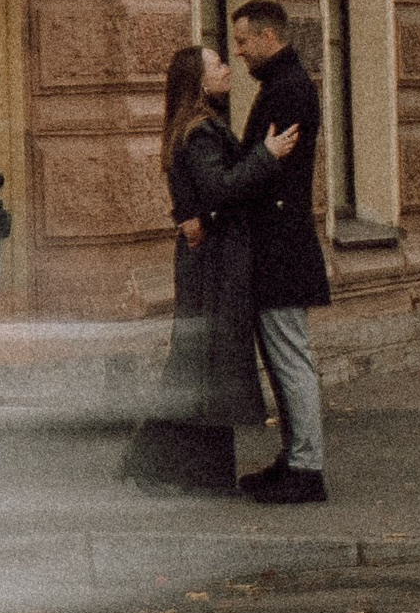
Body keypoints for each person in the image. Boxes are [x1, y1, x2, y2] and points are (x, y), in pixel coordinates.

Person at [120, 43, 299, 493]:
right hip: (214, 262)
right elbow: (219, 187)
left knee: (205, 362)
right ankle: (162, 463)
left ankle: (193, 471)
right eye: (218, 64)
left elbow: (193, 192)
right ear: (199, 81)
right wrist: (267, 154)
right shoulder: (200, 131)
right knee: (206, 362)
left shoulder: (200, 126)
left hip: (210, 255)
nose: (227, 68)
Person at [204, 0, 330, 502]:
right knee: (283, 357)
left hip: (280, 247)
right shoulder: (283, 85)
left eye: (242, 41)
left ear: (267, 37)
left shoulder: (288, 90)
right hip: (279, 243)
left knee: (290, 356)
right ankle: (295, 458)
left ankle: (306, 468)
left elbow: (270, 170)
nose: (238, 52)